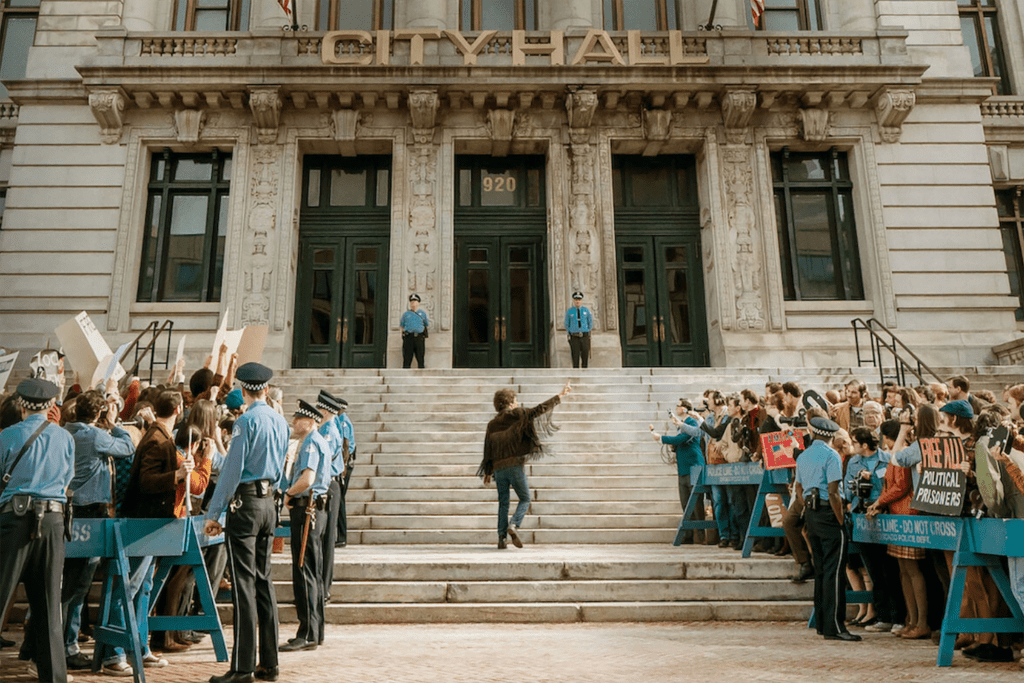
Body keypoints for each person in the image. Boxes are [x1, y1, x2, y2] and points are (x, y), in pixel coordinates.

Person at [204, 363, 290, 683]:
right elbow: (283, 465)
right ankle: (270, 662)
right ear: (265, 389)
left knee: (244, 587)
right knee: (264, 583)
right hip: (269, 502)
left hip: (246, 503)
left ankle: (242, 667)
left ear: (243, 390)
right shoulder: (280, 421)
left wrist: (214, 512)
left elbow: (231, 471)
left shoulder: (245, 422)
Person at [0, 378, 75, 683]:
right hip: (54, 519)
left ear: (21, 405)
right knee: (48, 607)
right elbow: (68, 480)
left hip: (15, 517)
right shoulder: (65, 438)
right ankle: (54, 677)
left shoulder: (7, 435)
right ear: (50, 406)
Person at [61, 390, 136, 675]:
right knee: (78, 585)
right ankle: (69, 646)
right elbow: (127, 447)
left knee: (70, 582)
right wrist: (114, 423)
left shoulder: (66, 432)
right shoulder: (94, 436)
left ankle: (64, 642)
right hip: (90, 512)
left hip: (70, 511)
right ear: (97, 414)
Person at [478, 381, 572, 549]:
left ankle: (501, 539)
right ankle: (513, 525)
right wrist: (560, 396)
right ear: (509, 403)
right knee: (525, 498)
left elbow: (488, 448)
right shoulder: (517, 414)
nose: (517, 403)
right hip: (514, 465)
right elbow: (538, 410)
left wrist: (487, 472)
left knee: (503, 503)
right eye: (515, 400)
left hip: (498, 469)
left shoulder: (492, 424)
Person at [795, 416, 861, 642]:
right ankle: (835, 626)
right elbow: (834, 491)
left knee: (822, 569)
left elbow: (798, 488)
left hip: (812, 513)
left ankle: (823, 623)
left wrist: (809, 509)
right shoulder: (832, 455)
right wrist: (840, 519)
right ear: (831, 436)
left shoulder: (803, 456)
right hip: (828, 512)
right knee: (835, 571)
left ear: (812, 433)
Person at [280, 400, 332, 652]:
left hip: (308, 508)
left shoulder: (311, 443)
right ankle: (315, 630)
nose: (293, 422)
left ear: (310, 421)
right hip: (315, 509)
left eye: (298, 419)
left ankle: (307, 632)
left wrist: (288, 494)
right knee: (313, 569)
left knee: (304, 569)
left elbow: (308, 478)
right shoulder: (318, 441)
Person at [649, 399, 706, 544]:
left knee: (697, 503)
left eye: (679, 406)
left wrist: (661, 438)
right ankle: (688, 535)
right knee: (685, 502)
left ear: (686, 408)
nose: (677, 408)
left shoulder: (692, 422)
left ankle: (700, 536)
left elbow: (682, 438)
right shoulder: (681, 424)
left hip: (694, 465)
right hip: (684, 467)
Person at [314, 390, 346, 603]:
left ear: (324, 409)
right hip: (331, 483)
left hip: (329, 484)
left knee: (326, 540)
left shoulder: (328, 430)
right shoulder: (328, 428)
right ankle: (323, 585)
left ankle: (323, 587)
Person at [334, 398, 356, 548]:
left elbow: (346, 444)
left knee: (340, 499)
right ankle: (340, 535)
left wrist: (343, 467)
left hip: (345, 463)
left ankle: (341, 536)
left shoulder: (342, 420)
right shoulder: (341, 419)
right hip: (344, 462)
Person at [564, 291, 593, 369]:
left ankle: (584, 373)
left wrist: (587, 330)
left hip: (584, 335)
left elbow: (590, 321)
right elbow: (567, 323)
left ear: (581, 300)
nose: (577, 301)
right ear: (573, 300)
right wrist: (570, 332)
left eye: (579, 300)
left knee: (585, 355)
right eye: (576, 300)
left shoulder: (586, 310)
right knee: (575, 356)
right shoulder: (570, 311)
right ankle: (576, 374)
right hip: (574, 336)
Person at [400, 293, 429, 369]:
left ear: (418, 303)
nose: (413, 303)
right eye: (411, 302)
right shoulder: (406, 314)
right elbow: (402, 325)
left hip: (419, 337)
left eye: (415, 301)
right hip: (408, 337)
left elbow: (426, 324)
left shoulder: (422, 314)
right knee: (407, 358)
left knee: (420, 357)